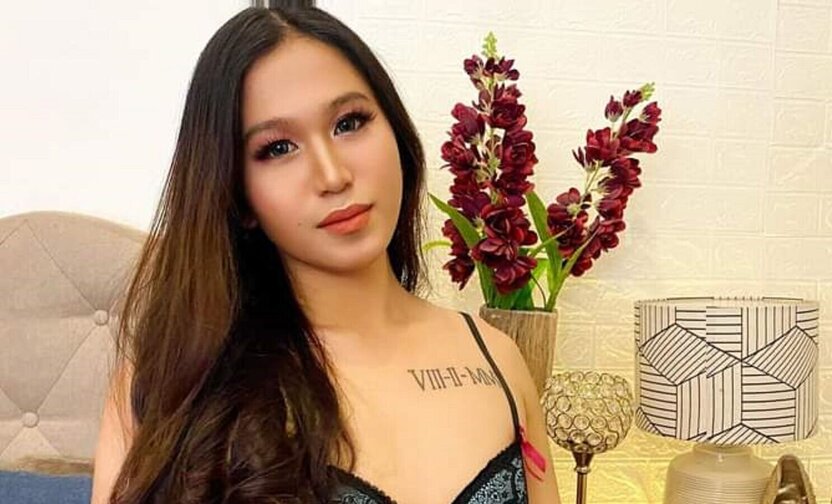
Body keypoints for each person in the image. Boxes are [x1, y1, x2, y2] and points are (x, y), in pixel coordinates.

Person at [90, 3, 560, 503]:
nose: (333, 175)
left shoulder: (498, 361)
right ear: (237, 195)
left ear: (396, 132)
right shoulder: (172, 389)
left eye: (350, 123)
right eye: (277, 148)